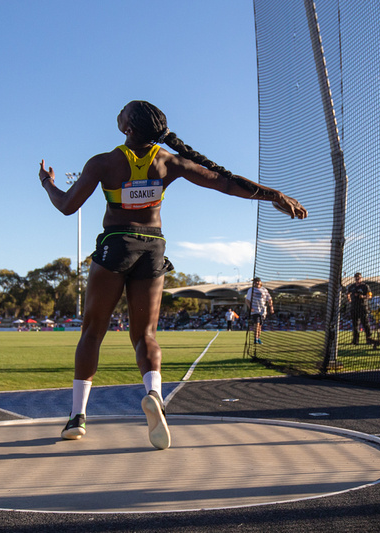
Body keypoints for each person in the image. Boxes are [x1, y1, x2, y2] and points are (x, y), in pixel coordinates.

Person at [39, 100, 307, 450]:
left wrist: (47, 183)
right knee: (146, 334)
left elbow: (67, 205)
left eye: (122, 114)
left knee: (92, 331)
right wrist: (273, 194)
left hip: (116, 244)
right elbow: (225, 183)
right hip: (152, 248)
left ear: (127, 129)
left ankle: (77, 417)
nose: (118, 115)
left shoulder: (103, 163)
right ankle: (154, 395)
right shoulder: (170, 162)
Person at [245, 278, 274, 344]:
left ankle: (258, 338)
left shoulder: (264, 290)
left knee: (260, 325)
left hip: (263, 310)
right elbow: (247, 300)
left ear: (260, 282)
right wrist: (250, 307)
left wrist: (271, 308)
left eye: (257, 281)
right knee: (256, 323)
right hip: (255, 310)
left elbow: (269, 299)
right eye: (255, 282)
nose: (256, 283)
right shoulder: (251, 290)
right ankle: (255, 338)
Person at [346, 272, 372, 345]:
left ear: (361, 278)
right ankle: (355, 341)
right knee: (355, 325)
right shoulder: (352, 286)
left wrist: (363, 297)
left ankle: (368, 339)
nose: (358, 279)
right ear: (355, 278)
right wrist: (349, 299)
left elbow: (370, 296)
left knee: (365, 324)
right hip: (354, 307)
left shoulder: (365, 286)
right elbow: (347, 293)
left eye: (359, 278)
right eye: (356, 278)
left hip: (363, 307)